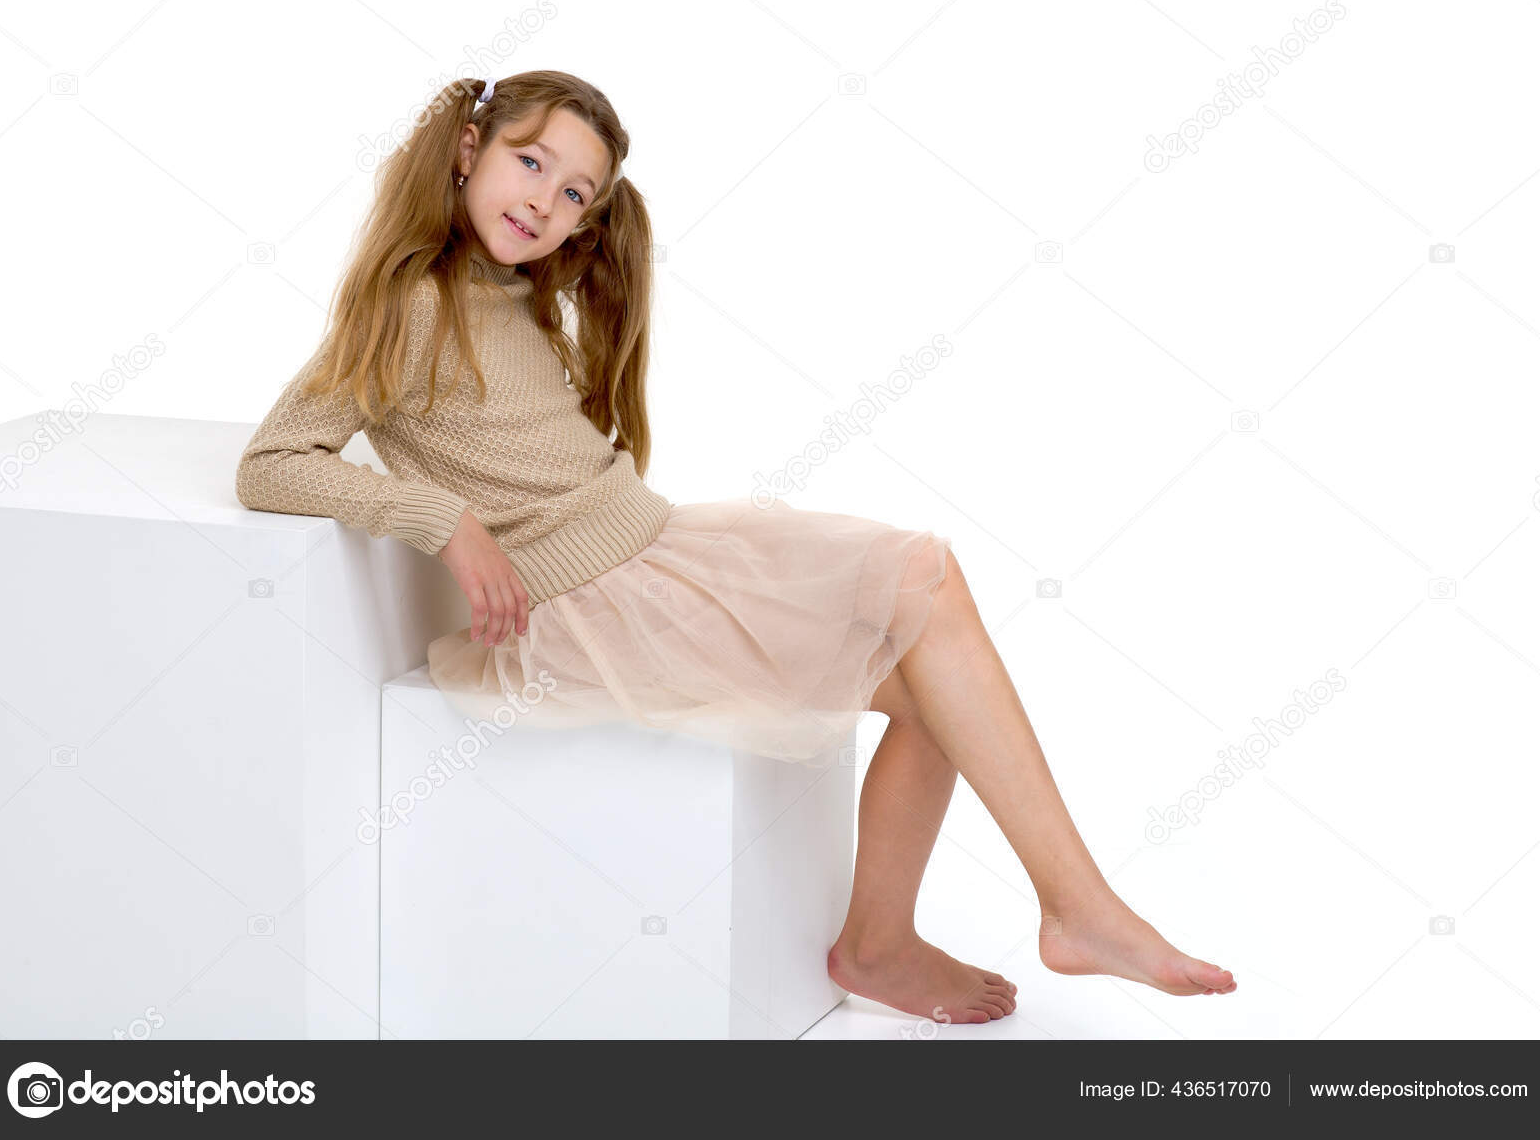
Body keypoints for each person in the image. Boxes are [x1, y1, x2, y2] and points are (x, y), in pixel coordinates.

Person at [235, 70, 1236, 1026]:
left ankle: (895, 938)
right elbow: (272, 462)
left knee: (937, 670)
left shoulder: (516, 291)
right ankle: (1066, 908)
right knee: (923, 588)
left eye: (574, 191)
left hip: (653, 551)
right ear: (467, 150)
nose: (543, 200)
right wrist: (442, 521)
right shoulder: (408, 307)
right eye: (530, 162)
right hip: (591, 610)